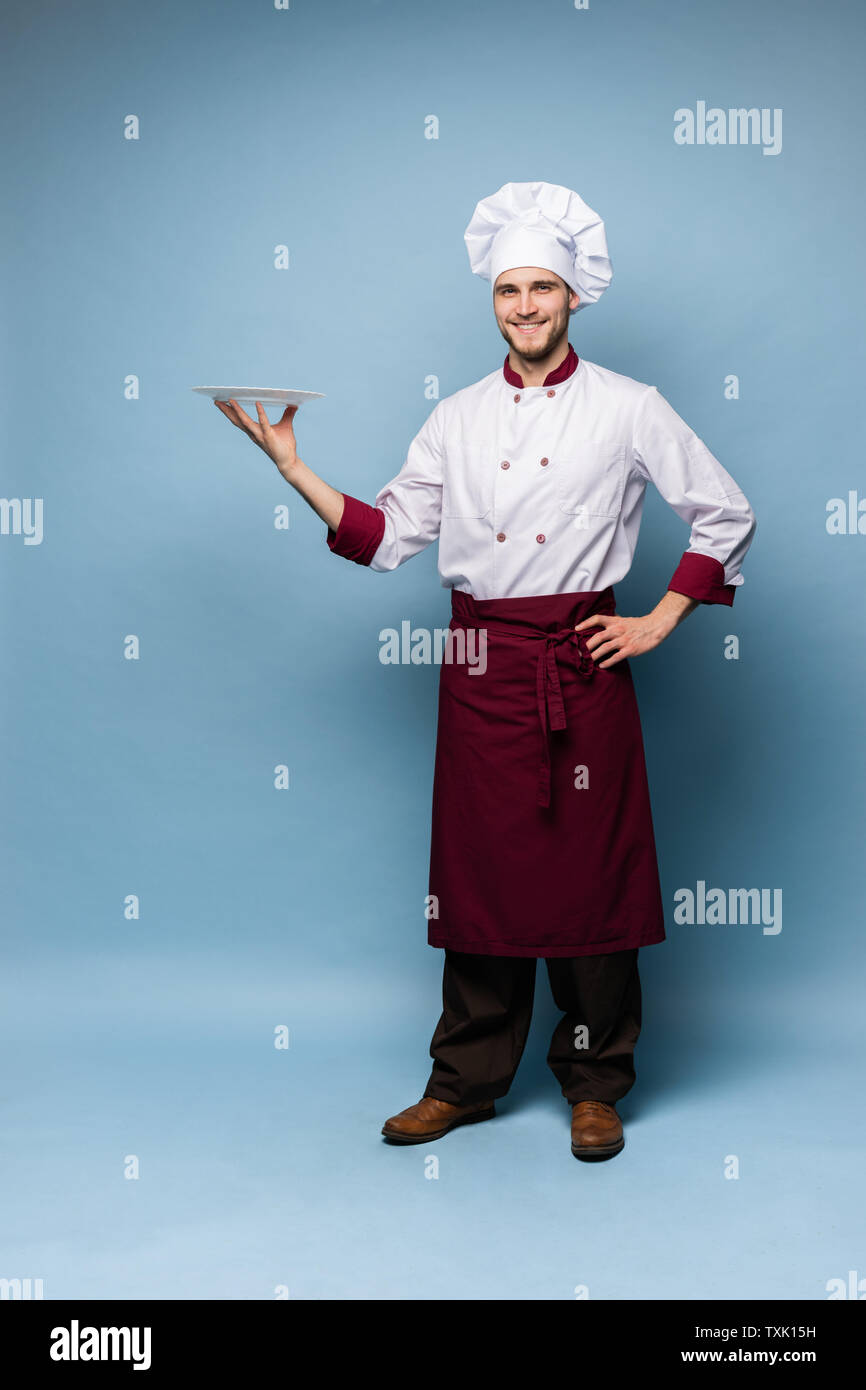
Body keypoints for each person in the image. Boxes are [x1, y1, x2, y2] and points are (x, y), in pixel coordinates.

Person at [213, 181, 757, 1161]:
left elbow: (724, 512)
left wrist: (658, 619)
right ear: (491, 299)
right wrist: (296, 470)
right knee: (478, 883)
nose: (524, 306)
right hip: (479, 669)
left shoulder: (630, 409)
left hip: (582, 666)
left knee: (592, 884)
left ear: (573, 294)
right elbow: (388, 537)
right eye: (508, 290)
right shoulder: (453, 420)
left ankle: (593, 1082)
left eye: (541, 287)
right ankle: (463, 1081)